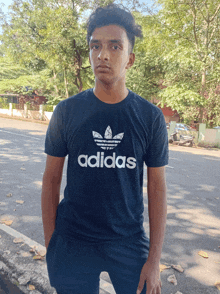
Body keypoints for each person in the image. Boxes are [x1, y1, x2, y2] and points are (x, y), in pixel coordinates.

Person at [41, 4, 168, 294]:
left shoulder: (150, 118)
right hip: (73, 240)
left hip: (128, 239)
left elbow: (158, 188)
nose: (103, 54)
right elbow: (50, 180)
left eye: (114, 46)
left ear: (130, 59)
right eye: (95, 46)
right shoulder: (66, 112)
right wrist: (52, 245)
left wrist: (154, 259)